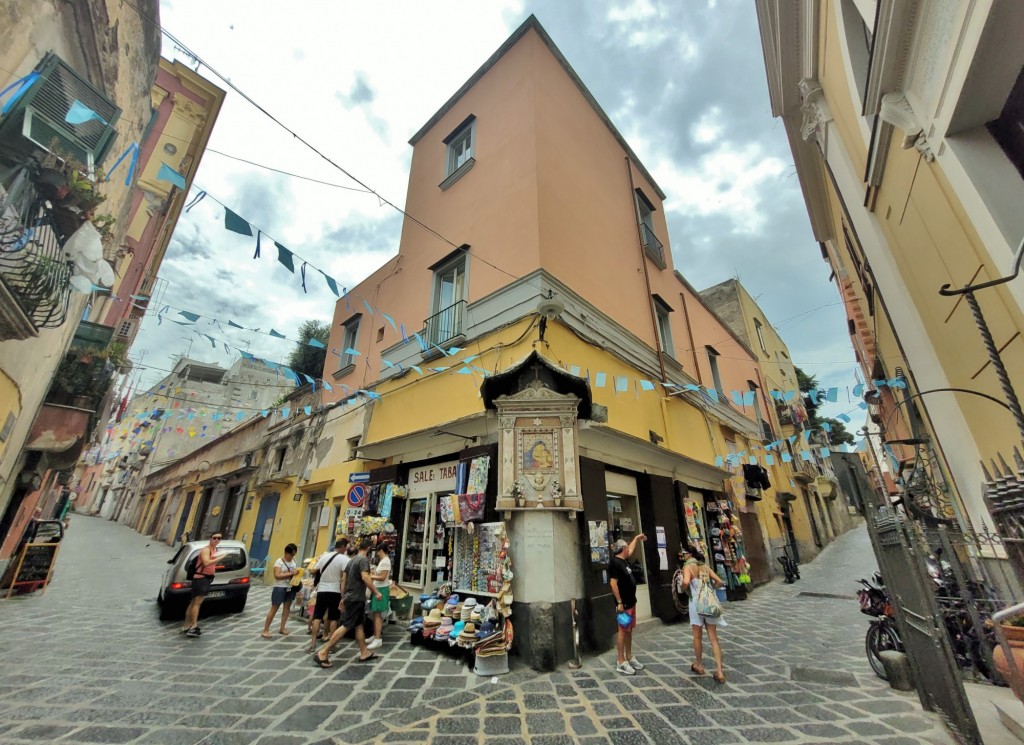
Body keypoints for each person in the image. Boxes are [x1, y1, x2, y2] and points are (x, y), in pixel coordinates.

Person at [313, 537, 381, 667]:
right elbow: (365, 577)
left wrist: (343, 597)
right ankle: (323, 652)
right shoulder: (363, 560)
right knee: (347, 625)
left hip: (351, 597)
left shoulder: (351, 561)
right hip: (356, 598)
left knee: (359, 625)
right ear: (368, 548)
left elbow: (344, 579)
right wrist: (376, 592)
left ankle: (364, 652)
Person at [682, 544, 727, 683]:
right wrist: (710, 589)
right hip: (709, 603)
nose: (683, 555)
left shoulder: (687, 566)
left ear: (689, 554)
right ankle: (719, 671)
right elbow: (719, 581)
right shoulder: (704, 566)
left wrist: (683, 588)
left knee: (697, 635)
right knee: (713, 637)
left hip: (696, 603)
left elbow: (685, 582)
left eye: (684, 553)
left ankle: (699, 665)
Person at [608, 533, 647, 675]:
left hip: (631, 603)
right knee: (622, 631)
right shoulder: (615, 563)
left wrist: (636, 538)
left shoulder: (624, 560)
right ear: (621, 549)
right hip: (623, 605)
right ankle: (621, 661)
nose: (628, 550)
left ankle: (629, 656)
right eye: (626, 547)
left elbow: (631, 549)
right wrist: (619, 602)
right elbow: (613, 583)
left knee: (629, 630)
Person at [308, 538, 349, 653]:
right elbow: (344, 577)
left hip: (322, 589)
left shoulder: (324, 557)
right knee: (333, 618)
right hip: (335, 590)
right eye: (345, 547)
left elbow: (313, 571)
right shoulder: (344, 559)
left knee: (317, 616)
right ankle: (332, 644)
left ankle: (313, 644)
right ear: (343, 547)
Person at [182, 533, 227, 637]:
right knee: (197, 603)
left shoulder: (215, 550)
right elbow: (206, 562)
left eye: (219, 538)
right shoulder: (206, 550)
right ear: (210, 539)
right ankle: (193, 626)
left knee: (193, 602)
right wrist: (222, 557)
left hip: (206, 579)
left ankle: (186, 625)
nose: (216, 540)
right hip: (201, 578)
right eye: (214, 538)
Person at [261, 543, 299, 639]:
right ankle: (265, 630)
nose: (292, 556)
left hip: (290, 587)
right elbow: (277, 575)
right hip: (280, 587)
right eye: (291, 554)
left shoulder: (294, 561)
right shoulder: (279, 562)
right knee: (274, 608)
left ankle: (282, 627)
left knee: (287, 608)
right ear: (286, 553)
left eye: (294, 554)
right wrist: (290, 573)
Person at [368, 543, 392, 650]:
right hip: (377, 588)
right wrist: (374, 572)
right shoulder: (383, 561)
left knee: (377, 614)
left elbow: (382, 577)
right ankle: (375, 635)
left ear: (381, 550)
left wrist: (370, 576)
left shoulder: (386, 561)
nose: (376, 553)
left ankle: (378, 639)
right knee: (375, 613)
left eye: (377, 551)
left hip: (381, 589)